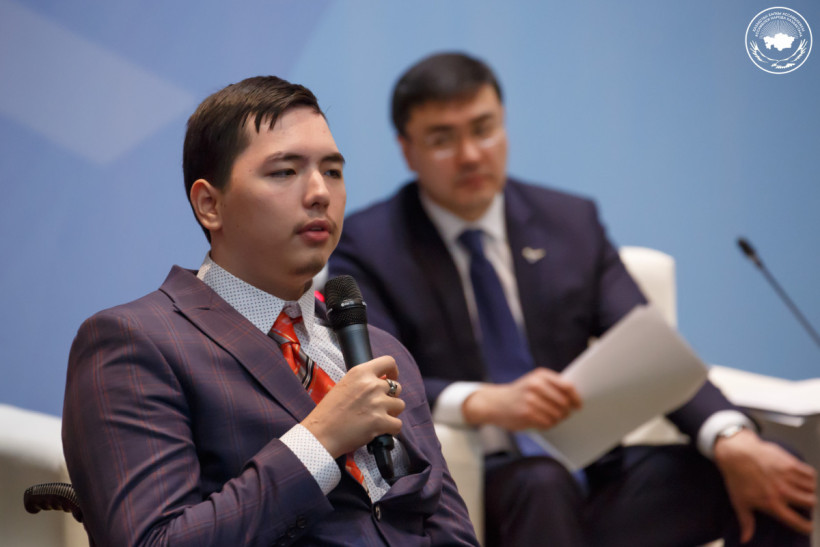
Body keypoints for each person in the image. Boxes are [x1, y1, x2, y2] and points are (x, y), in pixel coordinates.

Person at [328, 52, 816, 546]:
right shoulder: (370, 247)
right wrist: (483, 401)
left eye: (484, 129)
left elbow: (651, 350)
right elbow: (372, 378)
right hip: (482, 484)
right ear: (407, 151)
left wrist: (730, 437)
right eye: (442, 139)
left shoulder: (569, 223)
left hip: (592, 472)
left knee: (777, 472)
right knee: (542, 485)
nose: (471, 154)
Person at [61, 75, 478, 546]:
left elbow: (451, 532)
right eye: (284, 172)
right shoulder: (135, 341)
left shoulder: (381, 351)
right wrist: (319, 440)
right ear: (209, 204)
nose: (320, 192)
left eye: (333, 171)